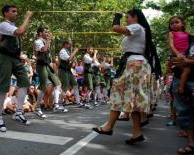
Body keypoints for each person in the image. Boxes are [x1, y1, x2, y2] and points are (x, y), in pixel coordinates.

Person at [93, 8, 161, 145]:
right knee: (133, 98)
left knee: (118, 92)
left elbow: (116, 28)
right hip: (136, 63)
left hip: (134, 64)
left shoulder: (136, 26)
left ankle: (109, 127)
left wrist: (117, 16)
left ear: (135, 17)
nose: (126, 21)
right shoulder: (139, 29)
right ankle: (136, 133)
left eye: (127, 17)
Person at [0, 4, 33, 132]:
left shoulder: (10, 27)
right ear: (6, 13)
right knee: (4, 86)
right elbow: (20, 32)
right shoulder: (4, 25)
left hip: (15, 58)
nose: (16, 13)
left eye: (17, 11)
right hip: (5, 57)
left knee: (25, 82)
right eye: (13, 11)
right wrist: (27, 17)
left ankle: (19, 112)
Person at [34, 27, 67, 119]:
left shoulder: (46, 42)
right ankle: (37, 108)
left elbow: (47, 54)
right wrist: (48, 40)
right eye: (45, 31)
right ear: (40, 33)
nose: (47, 33)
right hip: (41, 66)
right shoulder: (38, 42)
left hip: (47, 65)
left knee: (58, 84)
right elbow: (43, 49)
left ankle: (56, 104)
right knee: (44, 87)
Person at [171, 34, 194, 155]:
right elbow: (175, 60)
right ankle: (191, 143)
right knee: (184, 111)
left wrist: (187, 61)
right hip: (180, 79)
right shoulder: (186, 40)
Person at [168, 16, 190, 94]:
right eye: (172, 23)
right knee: (186, 70)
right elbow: (171, 45)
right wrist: (178, 54)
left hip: (187, 55)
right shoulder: (172, 33)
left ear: (182, 24)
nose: (174, 24)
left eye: (176, 22)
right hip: (176, 55)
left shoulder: (187, 34)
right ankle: (181, 87)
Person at [58, 41, 82, 108]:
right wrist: (75, 51)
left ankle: (78, 102)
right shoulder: (62, 51)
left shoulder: (67, 51)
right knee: (65, 88)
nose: (70, 46)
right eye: (69, 44)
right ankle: (59, 103)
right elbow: (69, 58)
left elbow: (70, 62)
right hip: (63, 71)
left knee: (75, 85)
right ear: (65, 44)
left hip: (68, 71)